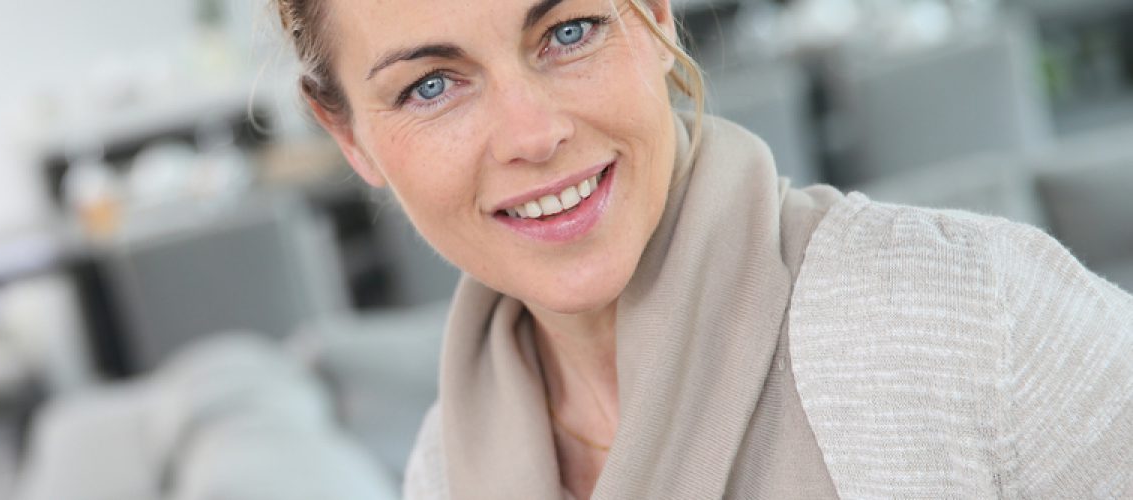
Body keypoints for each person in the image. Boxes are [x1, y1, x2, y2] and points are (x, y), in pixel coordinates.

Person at [270, 0, 1133, 497]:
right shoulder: (445, 474)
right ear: (349, 137)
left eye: (567, 31)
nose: (531, 134)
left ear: (654, 14)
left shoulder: (969, 317)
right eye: (430, 87)